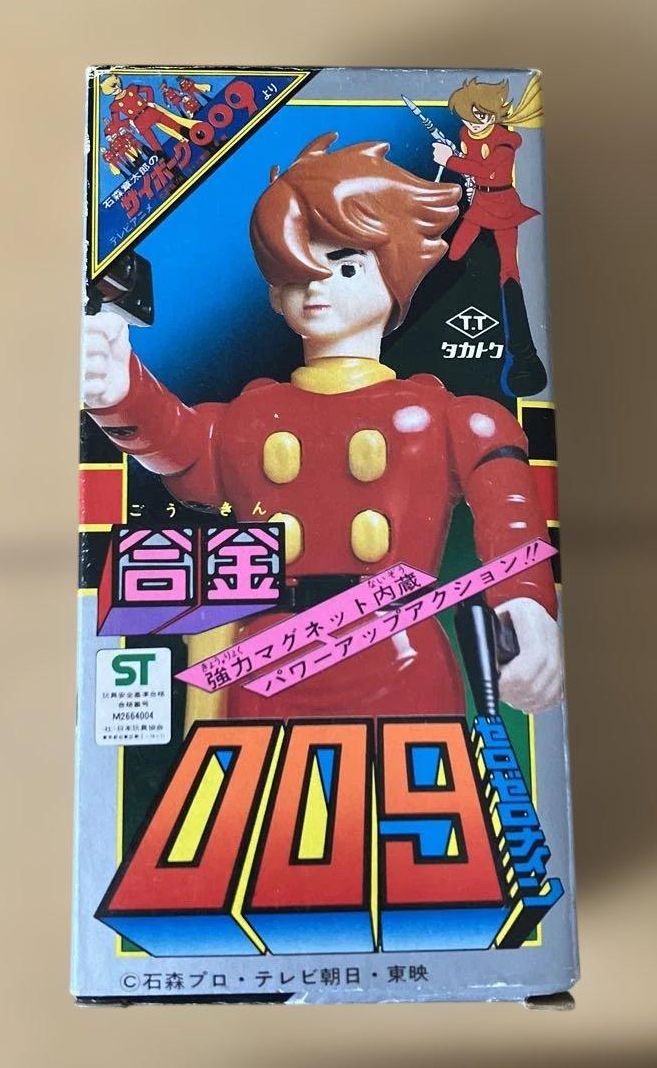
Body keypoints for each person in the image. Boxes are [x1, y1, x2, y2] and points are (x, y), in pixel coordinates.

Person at [82, 134, 563, 720]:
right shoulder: (249, 418)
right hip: (265, 663)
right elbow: (179, 444)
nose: (316, 286)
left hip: (400, 657)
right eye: (295, 269)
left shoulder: (447, 418)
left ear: (398, 274)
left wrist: (525, 603)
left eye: (346, 265)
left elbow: (508, 514)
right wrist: (120, 390)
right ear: (273, 290)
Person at [433, 75, 548, 396]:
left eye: (480, 116)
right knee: (454, 252)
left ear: (494, 113)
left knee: (509, 270)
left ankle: (521, 354)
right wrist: (453, 156)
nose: (474, 123)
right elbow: (472, 166)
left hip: (504, 205)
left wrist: (449, 160)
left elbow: (487, 170)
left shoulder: (505, 141)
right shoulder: (465, 134)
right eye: (468, 117)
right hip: (481, 204)